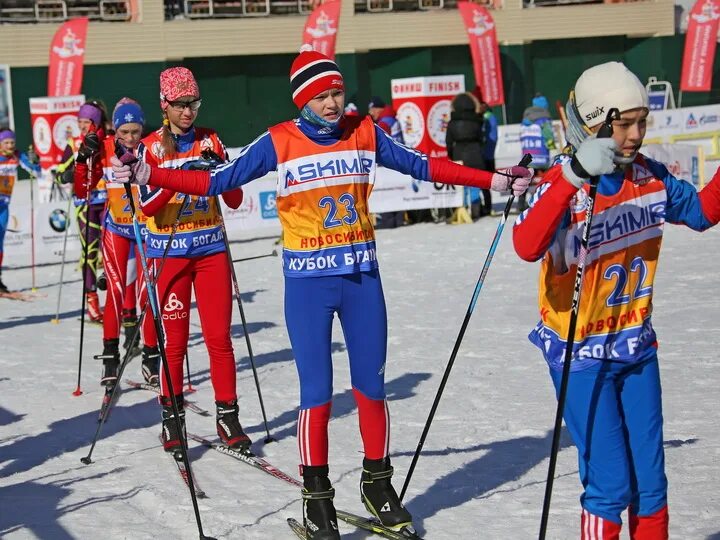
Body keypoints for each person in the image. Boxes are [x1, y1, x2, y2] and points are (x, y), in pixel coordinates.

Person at [112, 47, 532, 539]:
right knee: (317, 396)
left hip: (362, 281)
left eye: (337, 92)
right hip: (309, 286)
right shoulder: (278, 141)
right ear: (303, 99)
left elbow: (424, 167)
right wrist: (149, 174)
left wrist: (494, 179)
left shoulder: (363, 132)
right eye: (322, 95)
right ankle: (317, 497)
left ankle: (378, 483)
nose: (333, 103)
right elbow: (216, 180)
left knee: (371, 389)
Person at [513, 61, 720, 539]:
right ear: (593, 122)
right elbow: (526, 245)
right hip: (580, 356)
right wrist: (572, 175)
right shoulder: (566, 185)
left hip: (635, 347)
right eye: (623, 123)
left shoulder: (650, 177)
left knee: (651, 484)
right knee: (609, 484)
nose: (634, 134)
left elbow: (703, 212)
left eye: (641, 122)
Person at [136, 67, 250, 454]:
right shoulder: (150, 148)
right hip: (169, 253)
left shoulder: (211, 138)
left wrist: (221, 168)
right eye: (181, 105)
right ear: (165, 105)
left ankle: (228, 416)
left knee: (219, 338)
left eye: (194, 104)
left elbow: (234, 200)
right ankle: (171, 419)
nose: (188, 112)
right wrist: (182, 172)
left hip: (210, 250)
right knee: (175, 344)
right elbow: (148, 206)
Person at [94, 98, 160, 389]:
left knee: (149, 295)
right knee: (116, 292)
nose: (131, 138)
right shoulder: (106, 146)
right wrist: (86, 154)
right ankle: (110, 355)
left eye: (136, 131)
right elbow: (86, 177)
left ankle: (150, 357)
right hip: (116, 229)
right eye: (125, 132)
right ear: (116, 130)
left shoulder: (150, 148)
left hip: (146, 230)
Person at [67, 101, 109, 323]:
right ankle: (92, 302)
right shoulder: (73, 143)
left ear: (96, 122)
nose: (82, 126)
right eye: (80, 122)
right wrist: (64, 175)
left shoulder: (109, 139)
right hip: (85, 205)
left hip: (108, 203)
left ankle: (119, 301)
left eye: (87, 122)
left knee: (112, 252)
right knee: (89, 253)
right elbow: (60, 170)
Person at [0, 129, 40, 294]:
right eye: (6, 143)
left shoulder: (16, 156)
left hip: (4, 205)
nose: (10, 146)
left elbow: (36, 171)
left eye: (12, 142)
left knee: (0, 243)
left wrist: (34, 161)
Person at [445, 91, 488, 219]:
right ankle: (475, 210)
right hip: (475, 153)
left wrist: (451, 155)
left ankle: (462, 210)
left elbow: (448, 142)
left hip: (459, 152)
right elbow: (482, 139)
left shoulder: (452, 123)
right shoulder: (477, 121)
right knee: (474, 183)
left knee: (462, 185)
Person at [368, 96, 405, 229]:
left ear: (379, 109)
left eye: (372, 109)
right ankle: (397, 220)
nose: (371, 113)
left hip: (390, 161)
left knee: (387, 190)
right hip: (398, 160)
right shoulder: (391, 118)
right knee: (397, 190)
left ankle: (388, 221)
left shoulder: (386, 120)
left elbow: (379, 138)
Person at [518, 97, 556, 212]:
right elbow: (548, 134)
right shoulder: (543, 119)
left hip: (528, 156)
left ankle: (521, 202)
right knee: (545, 179)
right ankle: (543, 202)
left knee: (526, 179)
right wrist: (551, 145)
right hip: (541, 156)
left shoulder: (525, 119)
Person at [478, 96, 498, 215]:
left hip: (485, 155)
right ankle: (487, 206)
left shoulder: (487, 118)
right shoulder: (490, 117)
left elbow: (491, 138)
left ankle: (487, 207)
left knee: (485, 182)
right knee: (485, 182)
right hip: (487, 154)